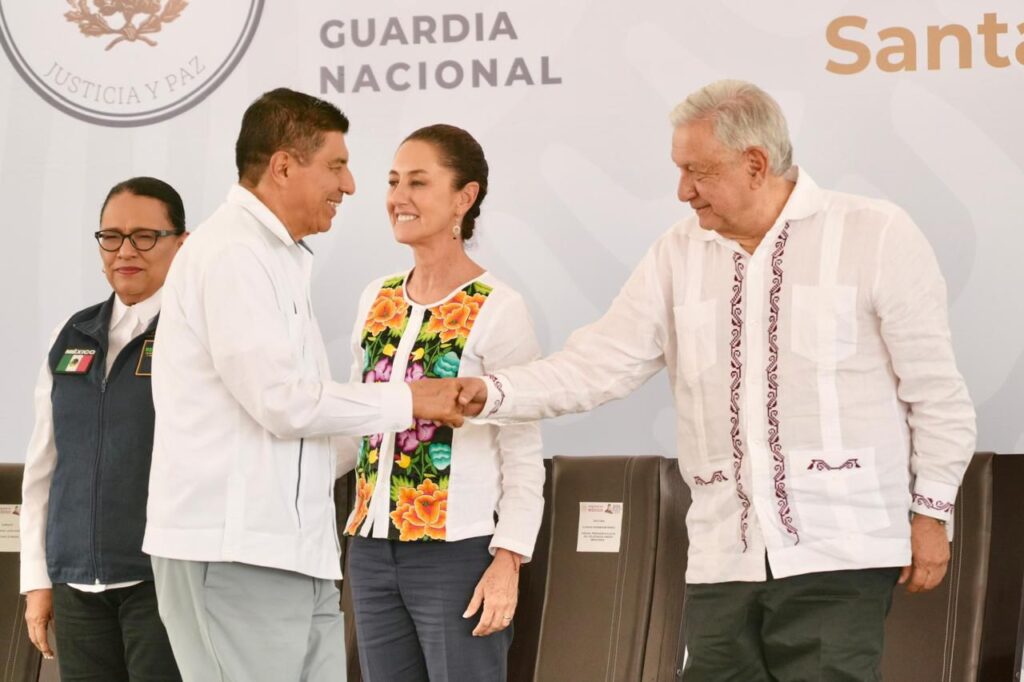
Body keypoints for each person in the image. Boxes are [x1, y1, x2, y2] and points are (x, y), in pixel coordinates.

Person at [457, 80, 976, 680]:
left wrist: (932, 512)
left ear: (755, 163)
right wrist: (493, 392)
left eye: (696, 172)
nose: (683, 191)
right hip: (722, 556)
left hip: (842, 548)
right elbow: (598, 362)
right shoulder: (677, 253)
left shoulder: (874, 233)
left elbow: (936, 394)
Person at [142, 89, 464, 682]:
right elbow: (283, 403)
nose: (351, 185)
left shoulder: (277, 257)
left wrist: (406, 433)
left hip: (298, 555)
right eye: (336, 166)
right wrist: (411, 399)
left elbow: (302, 428)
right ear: (284, 166)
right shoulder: (233, 254)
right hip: (234, 554)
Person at [340, 124, 545, 682]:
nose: (398, 197)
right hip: (370, 548)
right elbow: (354, 423)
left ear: (463, 197)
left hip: (458, 554)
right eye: (393, 182)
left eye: (418, 182)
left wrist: (508, 559)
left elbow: (523, 449)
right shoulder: (376, 298)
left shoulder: (498, 307)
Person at [21, 177, 187, 681]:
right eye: (111, 236)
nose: (125, 251)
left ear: (181, 243)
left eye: (145, 236)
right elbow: (44, 466)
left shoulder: (194, 333)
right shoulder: (71, 333)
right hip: (76, 586)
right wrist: (38, 580)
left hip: (162, 580)